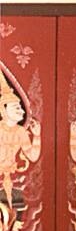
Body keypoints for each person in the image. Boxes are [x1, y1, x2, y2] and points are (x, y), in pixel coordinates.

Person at [0, 68, 41, 207]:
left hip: (14, 178)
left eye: (21, 108)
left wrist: (36, 136)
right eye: (17, 108)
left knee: (16, 203)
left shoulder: (21, 132)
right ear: (3, 110)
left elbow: (33, 156)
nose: (22, 112)